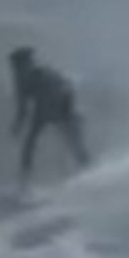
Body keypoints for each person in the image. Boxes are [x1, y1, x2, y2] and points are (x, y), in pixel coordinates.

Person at [7, 46, 91, 187]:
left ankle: (87, 173)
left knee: (72, 142)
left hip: (63, 107)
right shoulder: (19, 80)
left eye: (21, 67)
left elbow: (66, 91)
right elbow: (22, 106)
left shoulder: (45, 75)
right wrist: (17, 126)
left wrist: (61, 114)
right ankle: (24, 183)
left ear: (29, 64)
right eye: (16, 68)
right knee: (29, 144)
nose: (18, 72)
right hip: (44, 109)